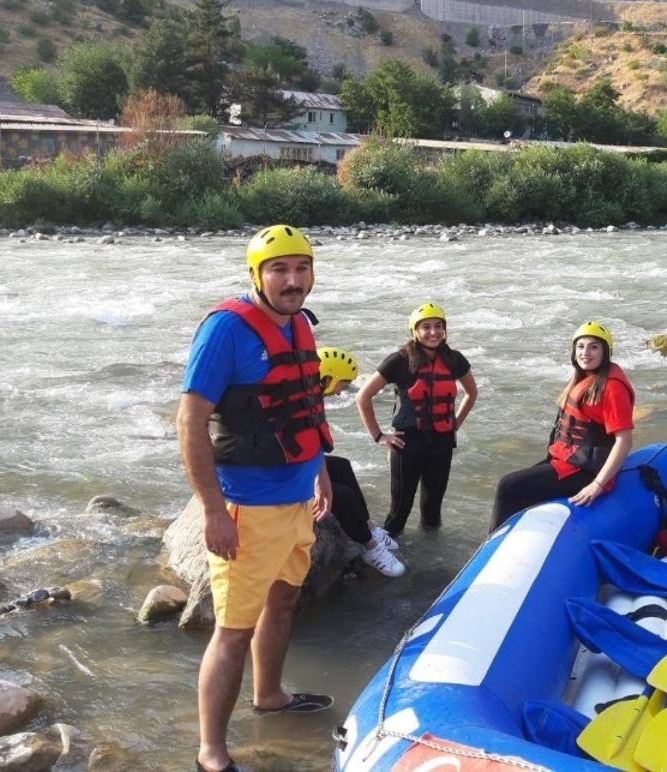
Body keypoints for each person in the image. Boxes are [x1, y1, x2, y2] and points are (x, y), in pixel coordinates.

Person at [177, 224, 335, 772]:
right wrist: (214, 511)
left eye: (301, 269)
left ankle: (270, 696)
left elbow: (305, 405)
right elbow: (190, 421)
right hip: (247, 508)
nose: (292, 281)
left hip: (296, 502)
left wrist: (321, 470)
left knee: (285, 600)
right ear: (256, 275)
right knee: (232, 632)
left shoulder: (299, 325)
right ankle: (212, 755)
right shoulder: (225, 330)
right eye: (279, 270)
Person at [490, 321, 634, 532]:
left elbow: (624, 440)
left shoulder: (611, 388)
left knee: (508, 486)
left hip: (585, 471)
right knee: (522, 486)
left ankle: (490, 545)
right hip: (567, 462)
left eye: (594, 346)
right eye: (581, 346)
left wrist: (597, 485)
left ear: (606, 352)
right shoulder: (583, 378)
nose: (586, 352)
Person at [355, 303, 478, 537]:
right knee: (400, 510)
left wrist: (455, 424)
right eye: (426, 327)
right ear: (415, 331)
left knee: (433, 511)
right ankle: (391, 552)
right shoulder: (399, 361)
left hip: (441, 444)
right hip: (406, 445)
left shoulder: (455, 359)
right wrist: (379, 436)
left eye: (439, 326)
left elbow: (472, 393)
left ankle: (431, 557)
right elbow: (363, 397)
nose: (433, 332)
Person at [316, 346, 405, 578]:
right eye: (341, 385)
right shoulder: (297, 402)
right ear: (326, 378)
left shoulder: (308, 398)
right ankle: (370, 549)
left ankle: (369, 528)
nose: (339, 393)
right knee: (341, 495)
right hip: (279, 472)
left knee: (342, 465)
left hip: (295, 464)